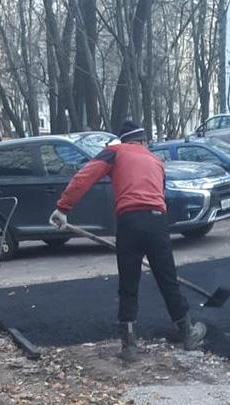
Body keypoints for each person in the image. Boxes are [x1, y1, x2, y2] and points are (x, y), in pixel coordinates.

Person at [49, 121, 207, 362]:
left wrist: (63, 208)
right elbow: (159, 193)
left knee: (128, 283)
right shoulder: (156, 160)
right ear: (143, 141)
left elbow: (85, 176)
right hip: (157, 222)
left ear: (123, 140)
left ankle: (129, 346)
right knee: (167, 279)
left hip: (128, 222)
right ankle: (186, 332)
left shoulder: (115, 152)